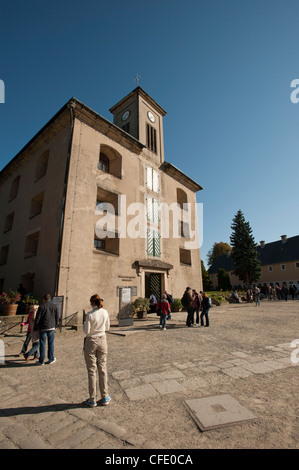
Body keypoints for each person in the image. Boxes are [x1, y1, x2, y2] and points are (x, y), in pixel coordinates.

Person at [83, 294, 111, 407]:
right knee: (103, 368)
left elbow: (86, 331)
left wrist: (84, 324)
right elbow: (108, 328)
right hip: (102, 340)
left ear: (92, 303)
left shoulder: (89, 315)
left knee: (91, 370)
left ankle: (92, 398)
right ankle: (105, 396)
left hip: (91, 341)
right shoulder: (105, 312)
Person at [34, 293, 59, 365]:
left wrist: (35, 327)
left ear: (44, 299)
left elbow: (37, 318)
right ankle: (51, 359)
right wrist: (56, 325)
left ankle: (41, 360)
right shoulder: (54, 306)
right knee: (51, 343)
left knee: (42, 344)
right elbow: (57, 317)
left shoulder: (41, 306)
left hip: (43, 327)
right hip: (51, 327)